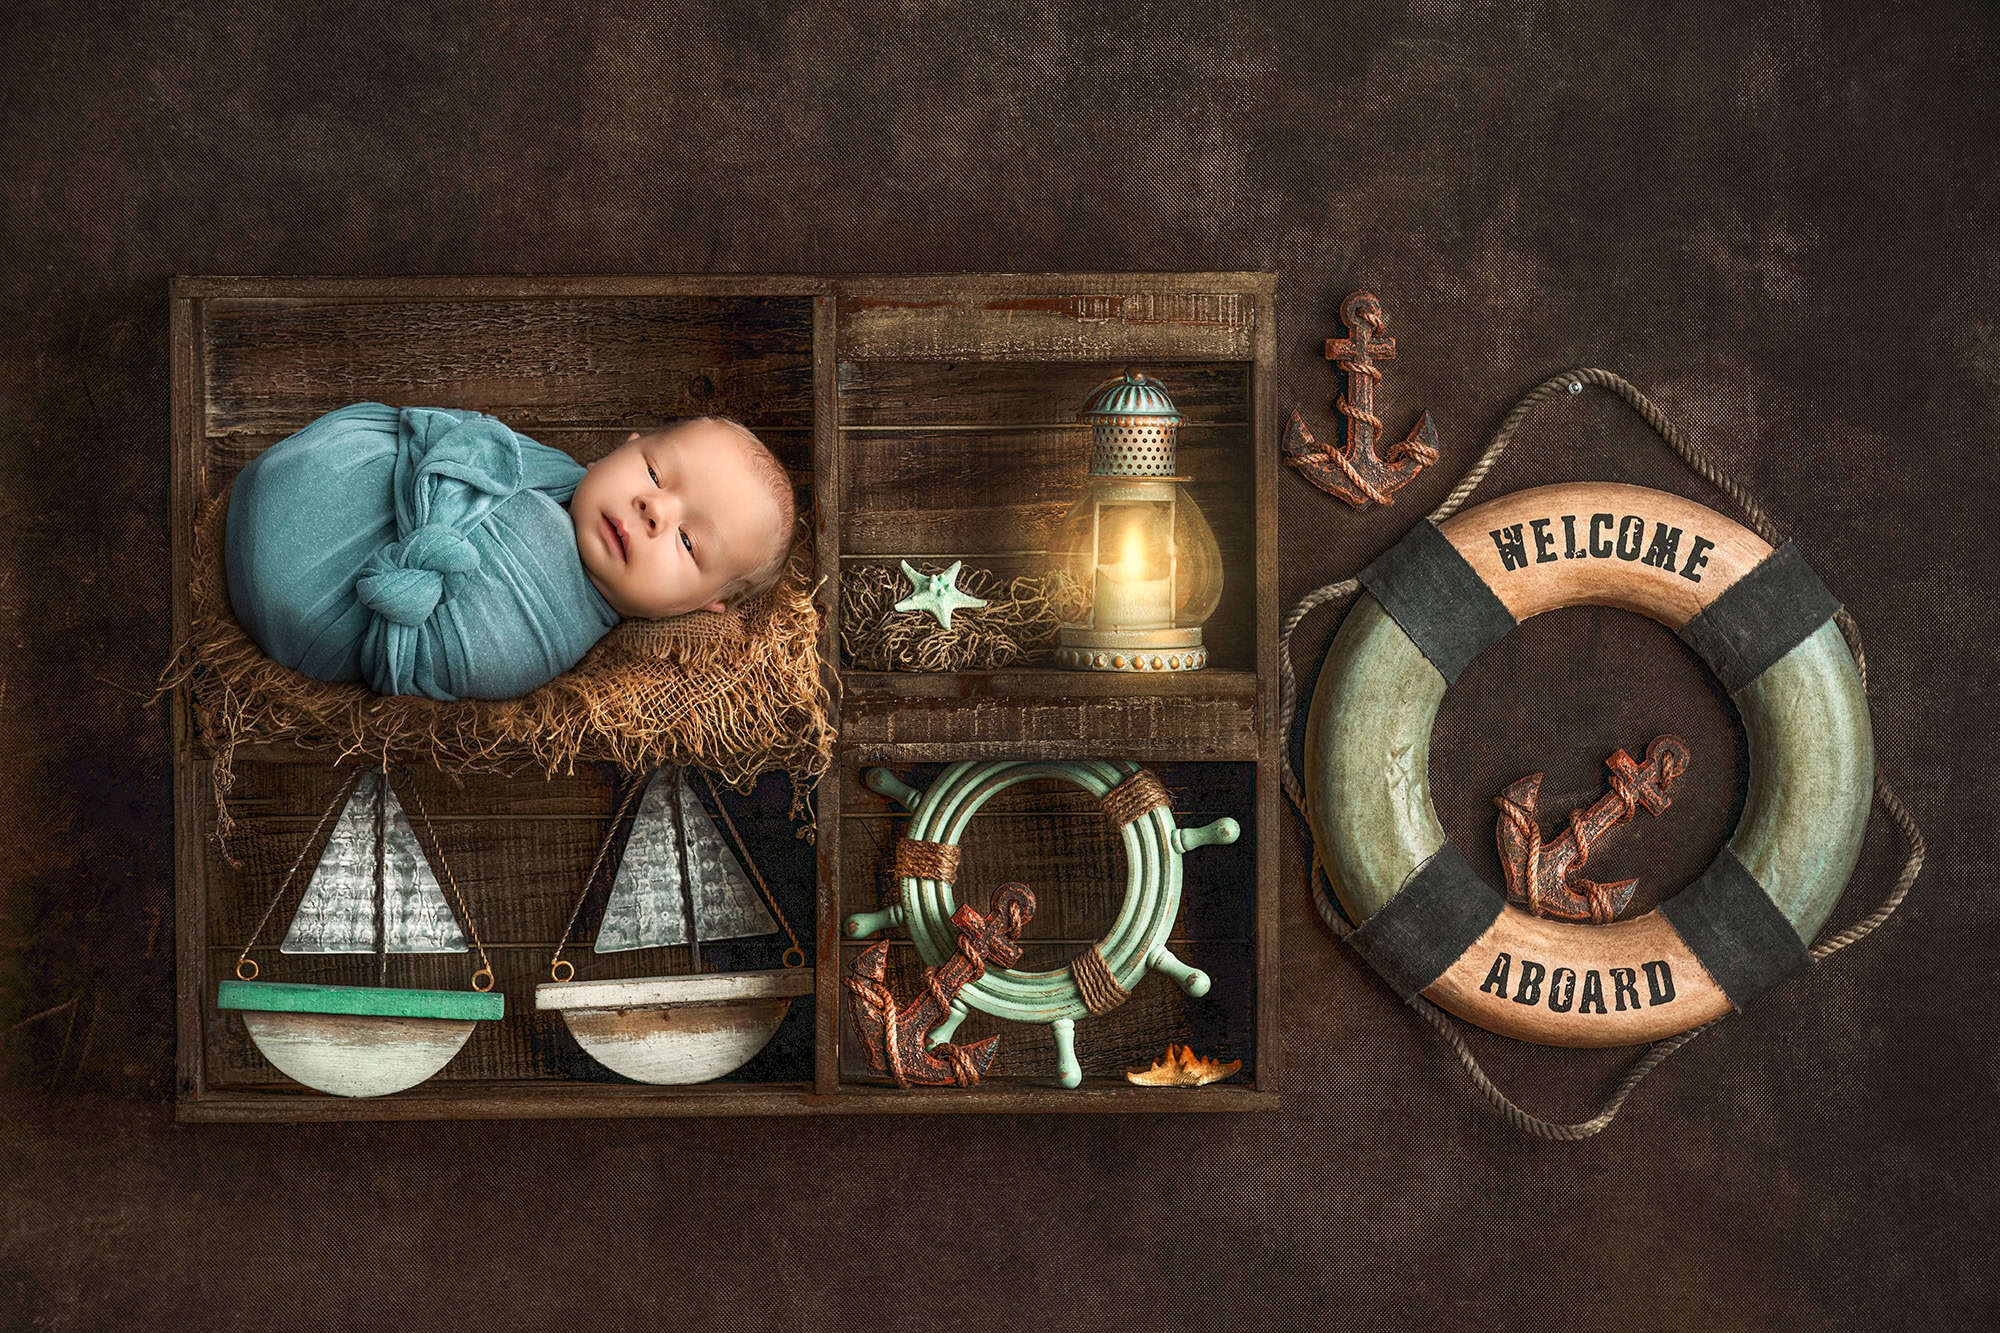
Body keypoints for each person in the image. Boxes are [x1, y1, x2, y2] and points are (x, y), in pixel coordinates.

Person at [224, 402, 795, 701]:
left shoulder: (543, 638)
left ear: (699, 607)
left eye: (688, 542)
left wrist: (444, 495)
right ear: (625, 448)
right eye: (653, 470)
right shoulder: (551, 471)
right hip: (301, 478)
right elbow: (447, 436)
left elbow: (428, 655)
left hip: (311, 600)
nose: (654, 508)